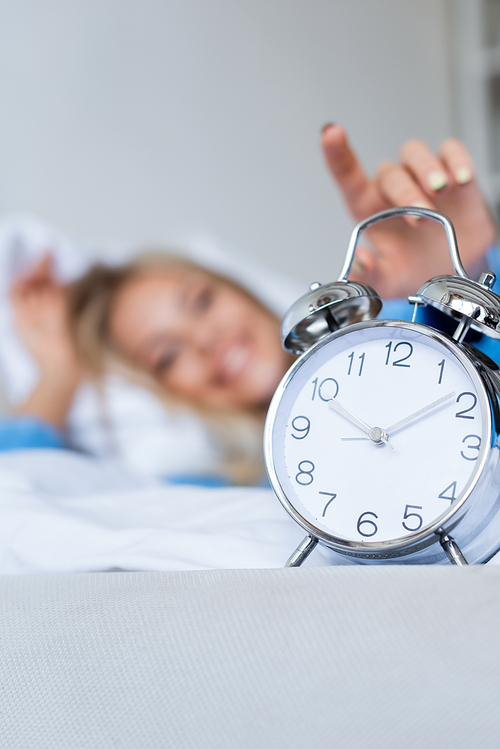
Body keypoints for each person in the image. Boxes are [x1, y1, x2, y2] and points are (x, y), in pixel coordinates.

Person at [2, 125, 499, 484]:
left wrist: (467, 272)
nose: (206, 340)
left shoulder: (394, 332)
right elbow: (22, 497)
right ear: (161, 390)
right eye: (166, 356)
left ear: (236, 288)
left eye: (201, 302)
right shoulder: (211, 494)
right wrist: (58, 371)